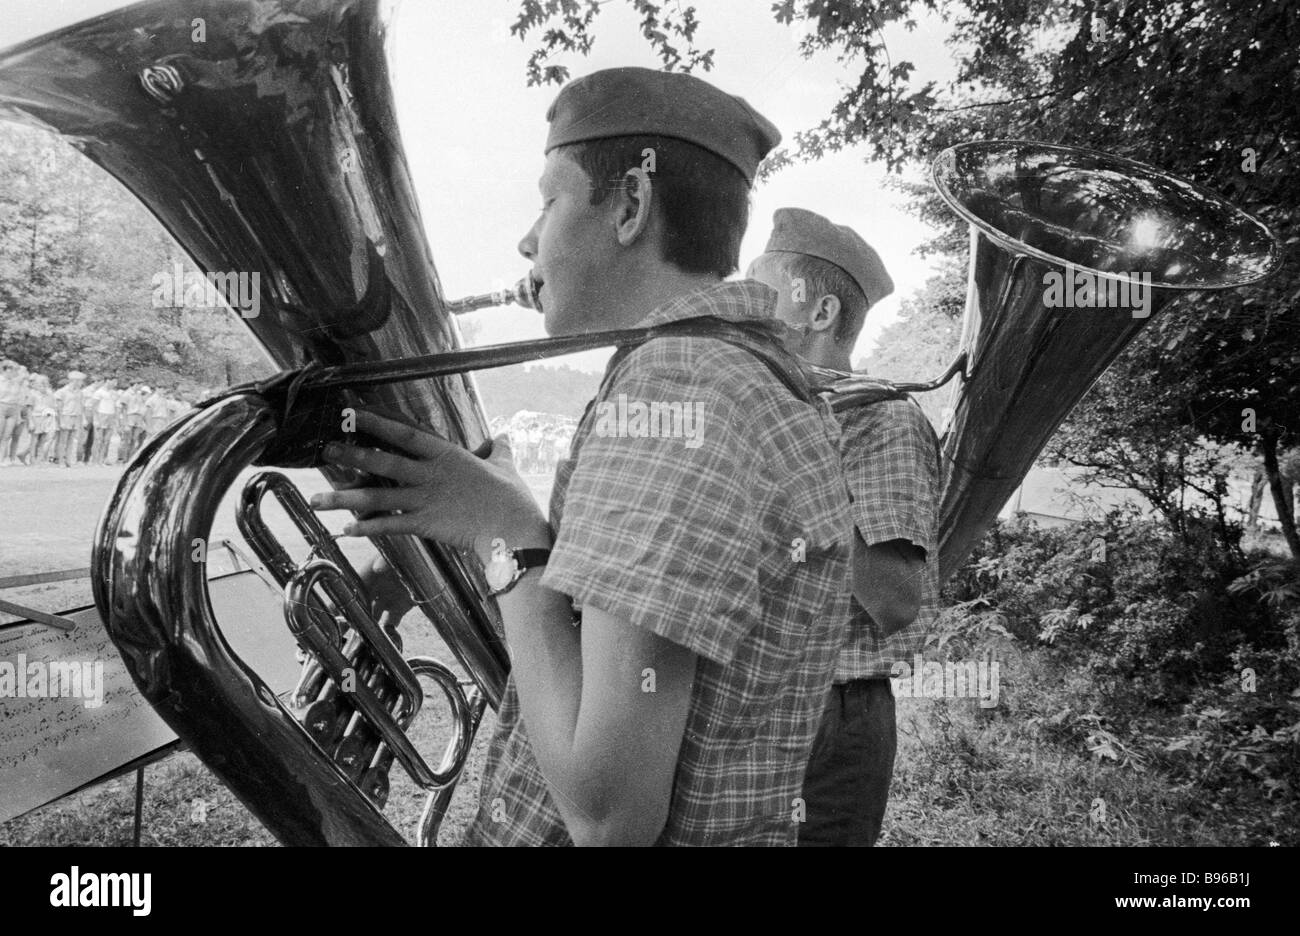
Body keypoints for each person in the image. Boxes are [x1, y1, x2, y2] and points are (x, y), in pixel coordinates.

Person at [311, 67, 853, 846]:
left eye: (549, 201)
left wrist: (503, 531)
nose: (528, 240)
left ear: (630, 204)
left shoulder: (681, 388)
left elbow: (608, 814)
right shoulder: (739, 376)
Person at [747, 208, 942, 846]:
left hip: (832, 712)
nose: (742, 302)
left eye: (762, 288)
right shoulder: (762, 405)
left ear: (820, 312)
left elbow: (893, 599)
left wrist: (798, 457)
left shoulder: (883, 420)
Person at [52, 371, 87, 467]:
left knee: (71, 440)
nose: (81, 383)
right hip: (65, 416)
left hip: (76, 416)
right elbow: (58, 408)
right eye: (80, 381)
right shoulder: (62, 392)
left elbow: (81, 406)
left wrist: (82, 418)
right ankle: (60, 460)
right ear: (74, 381)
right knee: (63, 440)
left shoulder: (80, 392)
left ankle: (68, 459)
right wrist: (60, 420)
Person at [24, 374, 57, 465]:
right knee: (34, 440)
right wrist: (30, 422)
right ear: (36, 386)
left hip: (45, 419)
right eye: (40, 385)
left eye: (45, 385)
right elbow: (29, 409)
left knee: (43, 440)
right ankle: (32, 459)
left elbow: (52, 407)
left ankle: (39, 458)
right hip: (35, 418)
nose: (42, 387)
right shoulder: (32, 395)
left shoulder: (49, 395)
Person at [0, 360, 28, 466]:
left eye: (15, 370)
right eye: (12, 370)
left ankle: (1, 460)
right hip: (1, 406)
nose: (14, 373)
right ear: (6, 370)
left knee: (6, 436)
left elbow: (18, 398)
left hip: (13, 408)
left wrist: (18, 415)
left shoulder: (15, 382)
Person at [89, 378, 121, 465]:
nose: (115, 383)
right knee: (98, 439)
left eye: (116, 382)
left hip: (110, 416)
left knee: (106, 440)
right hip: (101, 415)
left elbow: (116, 406)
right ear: (108, 381)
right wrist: (96, 419)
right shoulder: (99, 392)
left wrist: (115, 419)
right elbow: (94, 406)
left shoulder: (114, 393)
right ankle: (94, 460)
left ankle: (102, 460)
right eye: (113, 381)